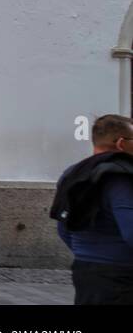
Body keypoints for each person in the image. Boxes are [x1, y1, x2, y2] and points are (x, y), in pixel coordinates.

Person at [52, 113, 133, 304]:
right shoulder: (121, 176)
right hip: (122, 275)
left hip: (85, 269)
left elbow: (64, 227)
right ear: (121, 143)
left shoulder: (73, 173)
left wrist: (87, 252)